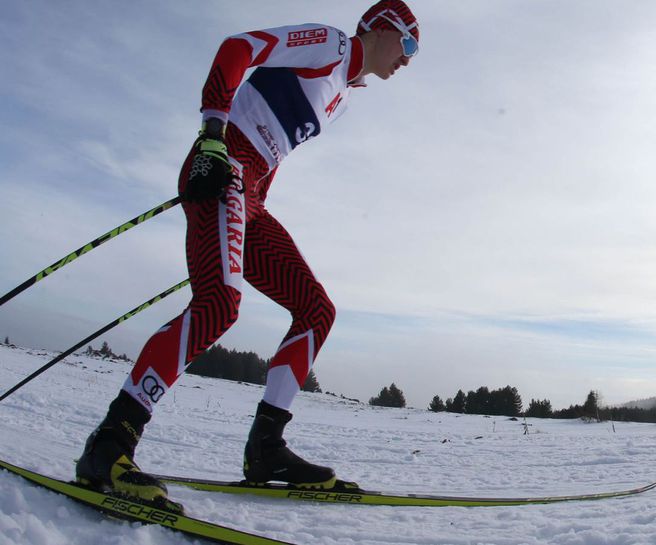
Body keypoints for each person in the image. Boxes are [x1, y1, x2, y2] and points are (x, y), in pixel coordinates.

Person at [75, 0, 420, 513]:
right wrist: (212, 137)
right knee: (219, 304)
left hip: (252, 192)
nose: (409, 59)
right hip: (225, 164)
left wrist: (246, 212)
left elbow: (274, 142)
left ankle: (267, 449)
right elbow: (239, 48)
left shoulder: (342, 95)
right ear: (381, 28)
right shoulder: (330, 44)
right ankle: (110, 444)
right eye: (409, 44)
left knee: (316, 310)